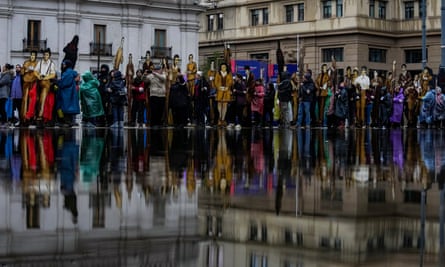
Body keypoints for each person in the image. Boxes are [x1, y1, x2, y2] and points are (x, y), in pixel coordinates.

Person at [34, 48, 57, 125]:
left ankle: (40, 116)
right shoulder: (40, 62)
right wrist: (38, 76)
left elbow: (53, 74)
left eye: (47, 55)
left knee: (42, 99)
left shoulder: (51, 64)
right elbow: (35, 71)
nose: (45, 56)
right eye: (44, 54)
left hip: (46, 82)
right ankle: (36, 115)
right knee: (36, 99)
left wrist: (45, 77)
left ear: (49, 55)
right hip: (39, 81)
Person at [56, 60, 80, 127]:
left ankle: (66, 122)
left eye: (64, 64)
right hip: (72, 92)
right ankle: (70, 121)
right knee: (70, 108)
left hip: (66, 93)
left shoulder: (67, 73)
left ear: (67, 65)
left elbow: (63, 83)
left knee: (63, 107)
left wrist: (57, 82)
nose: (63, 66)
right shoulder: (73, 72)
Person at [145, 61, 167, 127]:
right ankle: (153, 124)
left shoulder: (163, 74)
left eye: (159, 69)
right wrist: (144, 75)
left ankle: (159, 123)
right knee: (154, 110)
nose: (158, 71)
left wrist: (154, 73)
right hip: (154, 95)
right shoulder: (150, 76)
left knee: (160, 111)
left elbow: (163, 78)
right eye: (156, 69)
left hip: (162, 95)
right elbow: (144, 81)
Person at [21, 50, 38, 125]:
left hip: (34, 82)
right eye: (31, 55)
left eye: (34, 55)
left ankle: (32, 117)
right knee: (25, 100)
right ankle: (24, 118)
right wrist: (27, 70)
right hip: (26, 83)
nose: (32, 56)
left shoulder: (37, 64)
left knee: (33, 101)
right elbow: (22, 72)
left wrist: (34, 71)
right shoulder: (26, 63)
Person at [214, 62, 233, 127]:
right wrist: (219, 87)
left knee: (225, 105)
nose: (223, 68)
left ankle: (223, 119)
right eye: (222, 67)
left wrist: (227, 86)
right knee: (219, 104)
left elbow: (231, 81)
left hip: (226, 91)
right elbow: (215, 82)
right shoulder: (218, 73)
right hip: (220, 91)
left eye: (224, 67)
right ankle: (219, 118)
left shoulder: (229, 74)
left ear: (226, 68)